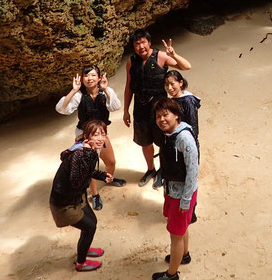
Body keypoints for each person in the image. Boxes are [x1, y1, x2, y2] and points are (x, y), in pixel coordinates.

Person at [123, 29, 191, 187]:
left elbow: (186, 67)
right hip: (140, 108)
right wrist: (126, 110)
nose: (141, 46)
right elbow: (128, 87)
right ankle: (150, 169)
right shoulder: (131, 61)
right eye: (137, 43)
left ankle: (163, 170)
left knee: (163, 142)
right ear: (134, 46)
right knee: (145, 142)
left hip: (160, 109)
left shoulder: (160, 56)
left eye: (143, 42)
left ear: (148, 42)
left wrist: (173, 54)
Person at [56, 64, 125, 211]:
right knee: (91, 167)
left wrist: (106, 89)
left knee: (111, 162)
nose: (90, 78)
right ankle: (94, 195)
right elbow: (62, 109)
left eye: (93, 75)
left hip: (100, 134)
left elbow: (116, 106)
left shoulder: (105, 92)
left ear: (99, 78)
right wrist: (73, 90)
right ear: (82, 78)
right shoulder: (79, 95)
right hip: (85, 136)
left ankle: (108, 178)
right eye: (86, 75)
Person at [49, 119, 114, 273]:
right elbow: (76, 180)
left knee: (92, 222)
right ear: (86, 136)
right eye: (95, 134)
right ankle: (81, 263)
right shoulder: (80, 154)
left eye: (103, 134)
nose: (100, 138)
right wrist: (87, 157)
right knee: (89, 227)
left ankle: (83, 248)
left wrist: (102, 175)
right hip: (64, 203)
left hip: (77, 197)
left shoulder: (89, 151)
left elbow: (86, 173)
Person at [151, 98, 199, 280]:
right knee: (181, 228)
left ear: (176, 115)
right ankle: (184, 255)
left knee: (175, 235)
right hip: (173, 190)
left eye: (166, 115)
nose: (162, 119)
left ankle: (171, 275)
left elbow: (193, 170)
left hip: (182, 194)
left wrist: (186, 200)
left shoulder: (184, 138)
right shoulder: (169, 134)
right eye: (158, 116)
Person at [164, 70, 201, 140]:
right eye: (166, 85)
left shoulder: (188, 101)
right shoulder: (171, 101)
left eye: (172, 84)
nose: (169, 88)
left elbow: (193, 126)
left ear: (180, 83)